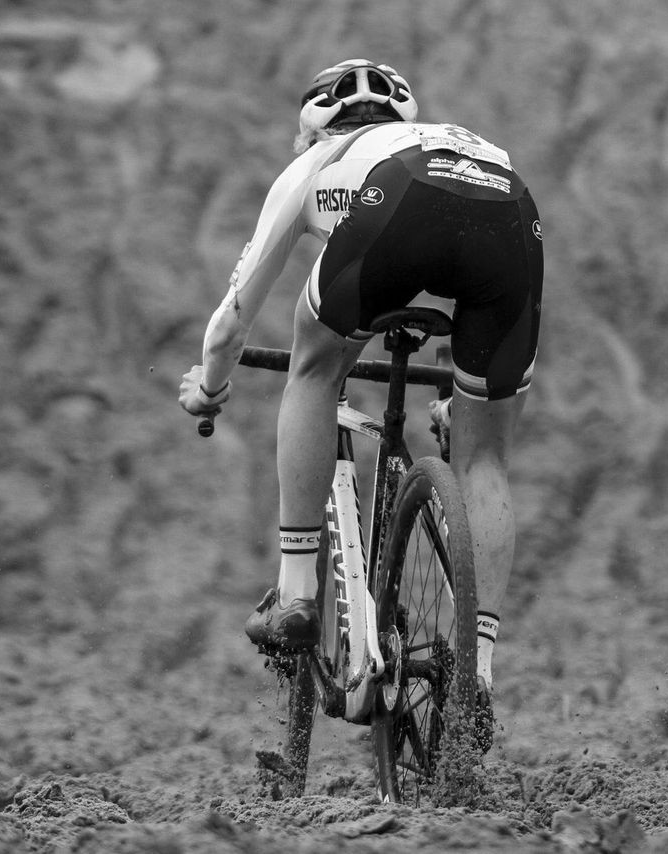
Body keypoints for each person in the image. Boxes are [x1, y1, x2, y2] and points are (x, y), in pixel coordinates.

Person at [178, 59, 543, 700]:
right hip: (511, 205)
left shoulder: (313, 163)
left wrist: (208, 388)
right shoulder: (453, 138)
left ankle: (295, 597)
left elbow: (232, 320)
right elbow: (458, 241)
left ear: (312, 129)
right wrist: (459, 399)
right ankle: (476, 671)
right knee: (486, 454)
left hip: (397, 199)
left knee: (314, 366)